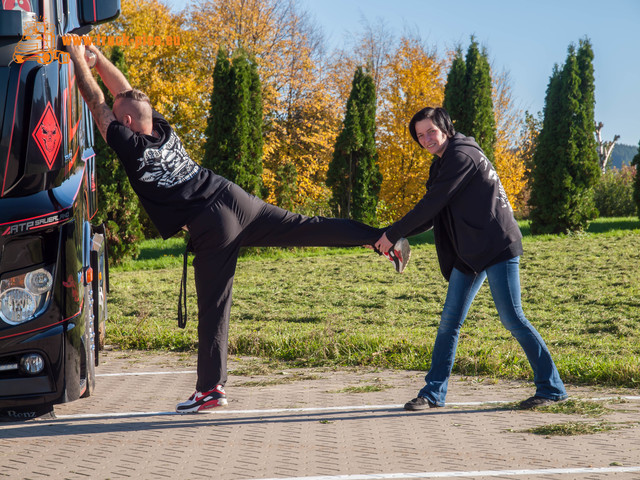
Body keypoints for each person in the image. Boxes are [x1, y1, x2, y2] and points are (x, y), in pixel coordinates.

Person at [65, 37, 411, 413]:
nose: (115, 119)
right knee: (306, 225)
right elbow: (125, 93)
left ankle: (211, 389)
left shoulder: (128, 143)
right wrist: (97, 59)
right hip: (235, 198)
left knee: (214, 305)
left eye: (120, 117)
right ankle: (382, 238)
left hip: (212, 222)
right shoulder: (161, 128)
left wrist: (75, 57)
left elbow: (97, 101)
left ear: (127, 122)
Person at [374, 107, 567, 410]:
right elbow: (434, 213)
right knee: (449, 323)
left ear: (446, 128)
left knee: (512, 318)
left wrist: (393, 232)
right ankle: (433, 393)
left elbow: (428, 206)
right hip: (470, 252)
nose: (425, 139)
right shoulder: (442, 164)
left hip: (497, 245)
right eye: (420, 135)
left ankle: (552, 387)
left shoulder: (461, 157)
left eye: (431, 132)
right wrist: (391, 235)